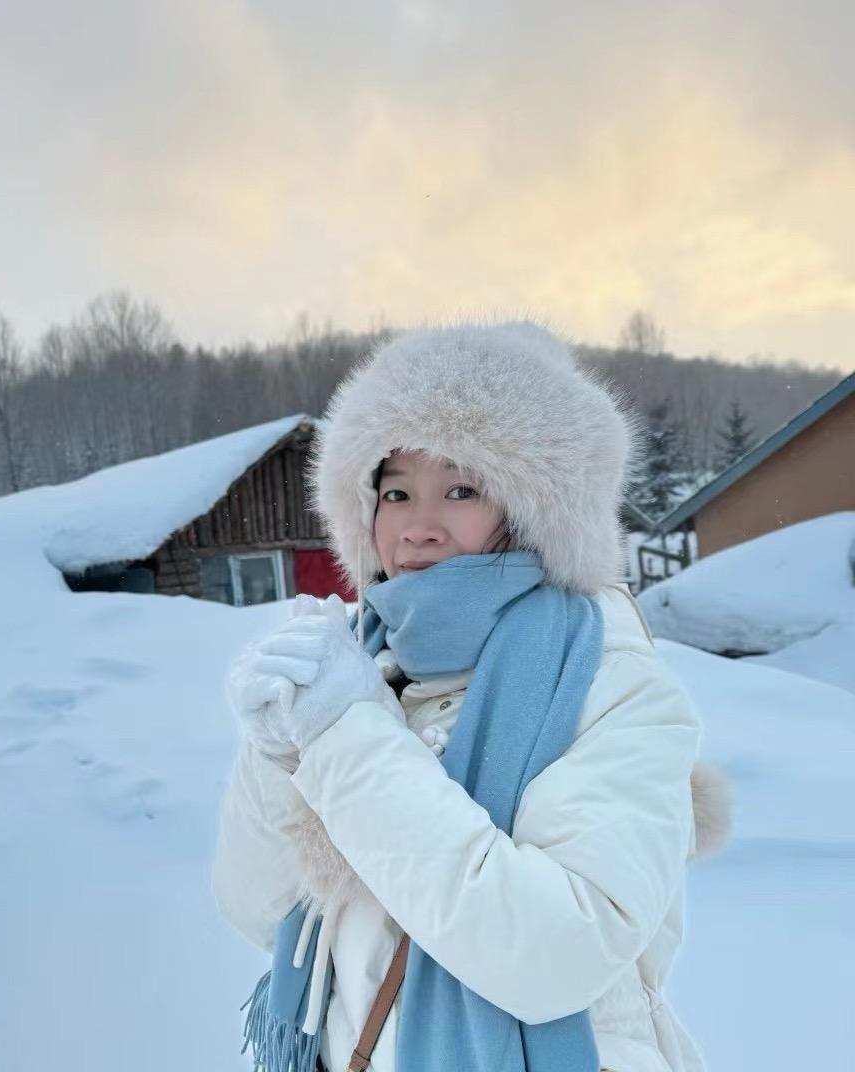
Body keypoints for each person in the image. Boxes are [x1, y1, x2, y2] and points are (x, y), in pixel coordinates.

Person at [212, 321, 731, 1072]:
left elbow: (555, 954)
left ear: (531, 511)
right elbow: (256, 910)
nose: (418, 528)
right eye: (395, 491)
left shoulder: (612, 686)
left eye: (461, 488)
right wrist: (278, 750)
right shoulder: (369, 672)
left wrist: (344, 740)